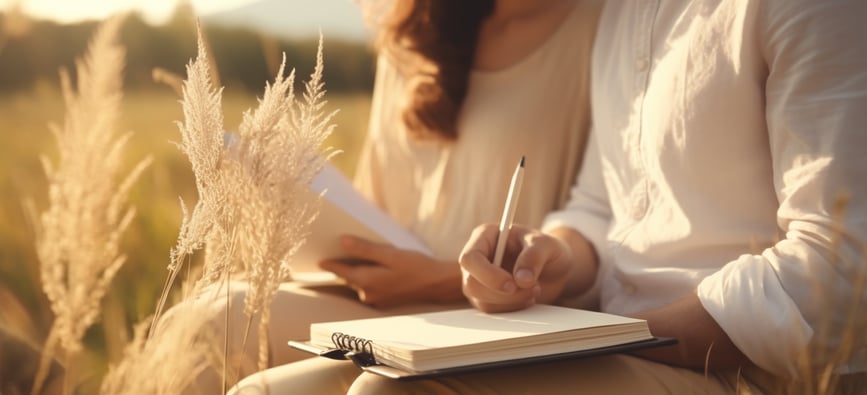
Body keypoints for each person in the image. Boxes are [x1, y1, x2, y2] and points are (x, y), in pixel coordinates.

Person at [236, 0, 867, 393]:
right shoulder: (629, 12)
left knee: (387, 394)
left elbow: (841, 266)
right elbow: (600, 208)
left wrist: (613, 334)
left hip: (740, 370)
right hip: (615, 340)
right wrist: (551, 256)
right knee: (267, 390)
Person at [211, 0, 603, 391]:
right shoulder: (412, 23)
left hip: (495, 316)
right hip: (386, 298)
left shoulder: (603, 24)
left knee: (223, 328)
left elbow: (599, 235)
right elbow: (374, 197)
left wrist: (443, 279)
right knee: (211, 313)